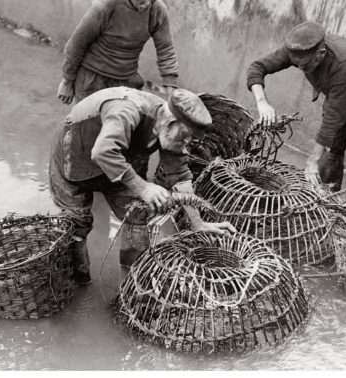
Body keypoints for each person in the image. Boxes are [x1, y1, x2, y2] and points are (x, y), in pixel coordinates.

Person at [49, 86, 235, 285]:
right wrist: (144, 187)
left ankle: (131, 276)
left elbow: (180, 177)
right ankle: (79, 281)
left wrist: (198, 223)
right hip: (74, 156)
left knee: (139, 210)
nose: (187, 142)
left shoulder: (169, 131)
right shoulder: (127, 111)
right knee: (76, 224)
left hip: (119, 163)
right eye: (186, 136)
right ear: (171, 123)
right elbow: (103, 152)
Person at [246, 21, 346, 207]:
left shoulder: (345, 64)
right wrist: (262, 103)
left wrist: (313, 159)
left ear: (320, 55)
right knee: (332, 148)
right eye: (296, 65)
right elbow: (257, 68)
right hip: (337, 95)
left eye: (305, 66)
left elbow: (334, 117)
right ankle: (327, 197)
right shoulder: (299, 51)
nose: (301, 69)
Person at [57, 0, 180, 105]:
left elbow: (165, 49)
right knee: (88, 124)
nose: (147, 3)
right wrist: (67, 80)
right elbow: (77, 44)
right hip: (92, 78)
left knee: (128, 122)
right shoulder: (105, 5)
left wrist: (170, 83)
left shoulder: (158, 11)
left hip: (126, 79)